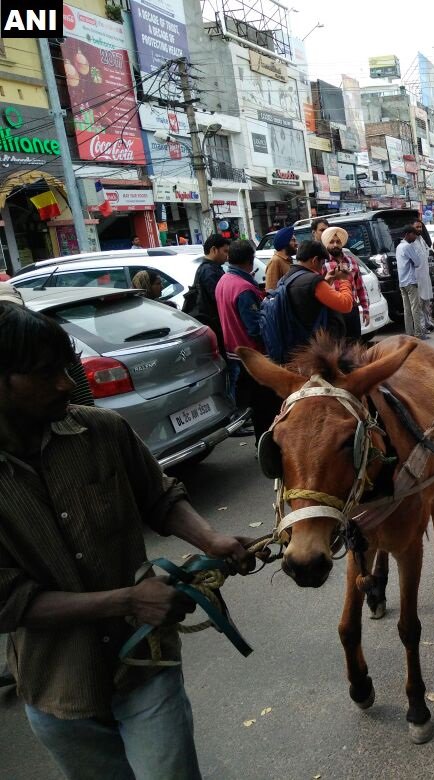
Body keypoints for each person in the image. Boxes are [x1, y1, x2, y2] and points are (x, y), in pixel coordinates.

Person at [0, 303, 254, 779]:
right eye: (44, 374)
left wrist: (211, 538)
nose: (64, 384)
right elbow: (6, 602)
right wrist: (127, 600)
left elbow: (158, 497)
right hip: (58, 687)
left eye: (64, 367)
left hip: (145, 669)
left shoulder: (101, 431)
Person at [215, 240, 279, 442]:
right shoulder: (243, 288)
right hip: (254, 354)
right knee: (265, 406)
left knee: (255, 403)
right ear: (250, 261)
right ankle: (267, 444)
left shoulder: (224, 280)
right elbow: (255, 328)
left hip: (235, 351)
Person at [275, 239, 354, 353]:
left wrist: (328, 279)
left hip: (298, 343)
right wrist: (344, 280)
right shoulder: (313, 281)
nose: (322, 268)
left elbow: (310, 297)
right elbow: (345, 305)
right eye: (322, 264)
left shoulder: (286, 278)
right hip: (320, 346)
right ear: (315, 260)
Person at [321, 227, 369, 339]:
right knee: (337, 347)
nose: (335, 245)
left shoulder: (352, 261)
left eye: (338, 242)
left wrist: (365, 309)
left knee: (355, 343)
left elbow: (360, 287)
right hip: (333, 311)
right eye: (331, 242)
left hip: (352, 309)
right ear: (326, 244)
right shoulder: (322, 264)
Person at [187, 235, 229, 353]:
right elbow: (218, 298)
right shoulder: (209, 270)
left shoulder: (212, 268)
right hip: (214, 322)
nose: (227, 255)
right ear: (214, 250)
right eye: (225, 251)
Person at [396, 227, 427, 340]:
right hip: (410, 281)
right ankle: (419, 333)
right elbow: (418, 262)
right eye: (414, 234)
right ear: (408, 234)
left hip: (402, 282)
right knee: (416, 308)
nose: (415, 237)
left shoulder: (399, 247)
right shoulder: (407, 246)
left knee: (407, 310)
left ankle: (409, 333)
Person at [413, 220, 434, 333]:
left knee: (427, 301)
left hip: (425, 275)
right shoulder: (411, 243)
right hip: (417, 277)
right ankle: (422, 327)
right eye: (417, 227)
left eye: (420, 227)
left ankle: (428, 323)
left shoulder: (422, 240)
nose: (419, 229)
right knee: (420, 302)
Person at [264, 226, 297, 292]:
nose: (296, 243)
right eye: (293, 240)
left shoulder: (288, 259)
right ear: (284, 242)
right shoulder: (275, 261)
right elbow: (271, 291)